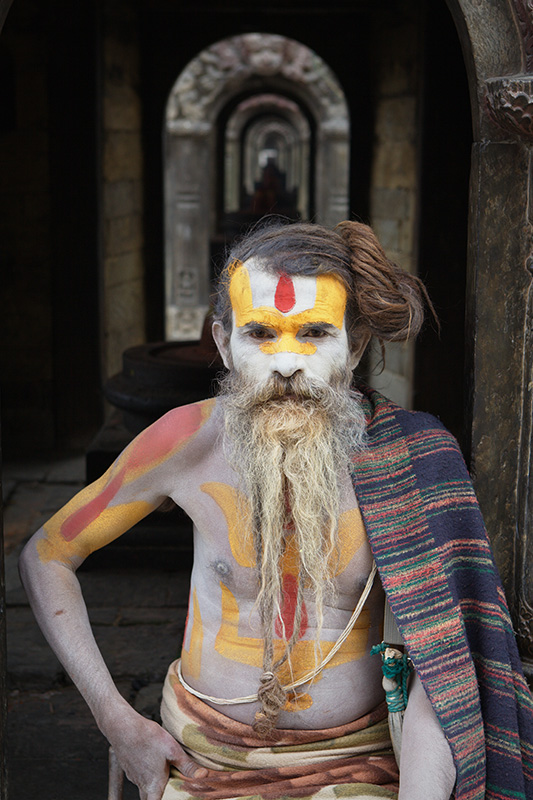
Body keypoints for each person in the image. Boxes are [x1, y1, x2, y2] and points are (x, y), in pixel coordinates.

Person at [19, 221, 533, 800]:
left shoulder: (413, 459)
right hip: (200, 757)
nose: (287, 362)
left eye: (315, 332)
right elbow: (47, 554)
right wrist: (118, 721)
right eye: (260, 334)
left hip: (357, 766)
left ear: (355, 345)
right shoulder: (184, 442)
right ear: (222, 342)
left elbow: (440, 671)